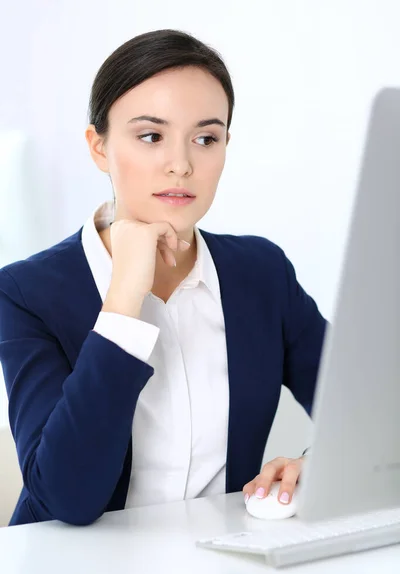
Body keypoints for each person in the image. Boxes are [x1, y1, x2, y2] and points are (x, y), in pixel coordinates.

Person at [0, 29, 326, 526]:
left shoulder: (262, 274)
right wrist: (125, 297)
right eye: (151, 136)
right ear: (99, 147)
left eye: (205, 138)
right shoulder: (26, 292)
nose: (181, 165)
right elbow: (66, 500)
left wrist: (317, 467)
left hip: (220, 571)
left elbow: (369, 420)